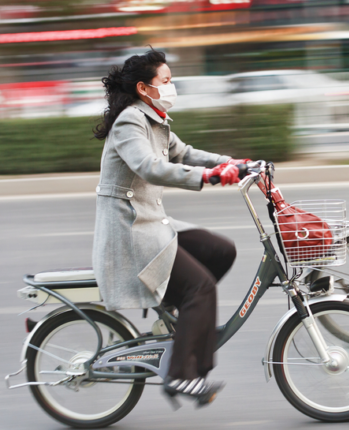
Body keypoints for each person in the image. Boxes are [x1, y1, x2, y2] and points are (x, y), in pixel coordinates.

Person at [92, 48, 247, 407]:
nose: (171, 86)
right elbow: (150, 167)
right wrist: (207, 177)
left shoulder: (154, 120)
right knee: (200, 288)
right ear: (144, 88)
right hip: (131, 231)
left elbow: (184, 153)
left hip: (151, 221)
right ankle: (181, 374)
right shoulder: (130, 122)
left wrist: (236, 164)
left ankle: (185, 324)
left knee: (221, 250)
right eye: (166, 80)